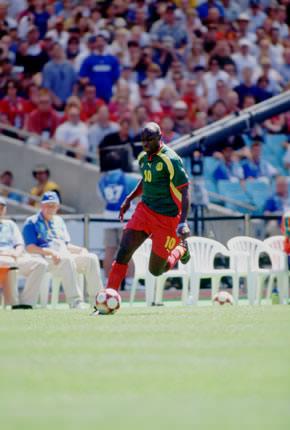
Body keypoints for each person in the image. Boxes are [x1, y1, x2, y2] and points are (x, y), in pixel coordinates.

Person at [102, 122, 191, 301]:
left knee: (156, 270)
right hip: (145, 211)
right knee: (124, 250)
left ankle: (181, 249)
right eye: (143, 141)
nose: (146, 144)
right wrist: (129, 198)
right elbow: (146, 180)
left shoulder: (170, 159)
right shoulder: (144, 157)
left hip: (167, 219)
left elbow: (185, 191)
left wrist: (183, 222)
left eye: (150, 140)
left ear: (160, 137)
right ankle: (108, 296)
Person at [23, 192, 103, 309]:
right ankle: (75, 301)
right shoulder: (31, 222)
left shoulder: (59, 221)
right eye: (47, 205)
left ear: (58, 207)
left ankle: (98, 300)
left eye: (53, 205)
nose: (50, 208)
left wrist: (80, 249)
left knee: (91, 258)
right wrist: (51, 252)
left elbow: (66, 245)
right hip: (45, 258)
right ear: (41, 206)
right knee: (67, 259)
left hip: (64, 255)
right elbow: (30, 248)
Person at [98, 152, 140, 288]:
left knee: (109, 250)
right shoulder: (130, 178)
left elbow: (102, 198)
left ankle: (106, 282)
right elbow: (142, 187)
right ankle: (130, 282)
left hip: (108, 218)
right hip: (126, 218)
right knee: (128, 250)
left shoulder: (101, 181)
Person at [0, 196, 47, 309]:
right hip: (3, 258)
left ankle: (27, 303)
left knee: (40, 263)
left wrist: (16, 253)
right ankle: (13, 303)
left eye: (2, 208)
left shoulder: (10, 224)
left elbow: (20, 244)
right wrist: (6, 253)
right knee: (9, 262)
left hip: (14, 256)